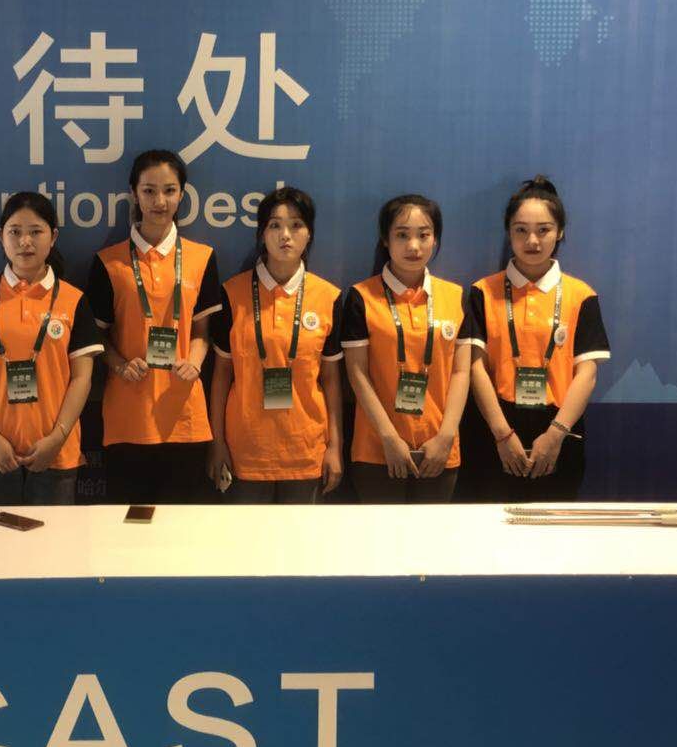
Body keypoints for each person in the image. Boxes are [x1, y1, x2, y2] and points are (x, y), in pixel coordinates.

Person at [463, 176, 611, 501]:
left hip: (559, 429)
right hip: (495, 430)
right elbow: (475, 368)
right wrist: (502, 435)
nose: (532, 240)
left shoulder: (581, 295)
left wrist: (555, 435)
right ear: (509, 232)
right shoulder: (482, 292)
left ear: (560, 232)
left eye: (543, 230)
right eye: (521, 230)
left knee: (553, 526)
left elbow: (587, 373)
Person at [87, 149, 222, 503]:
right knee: (129, 524)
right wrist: (120, 364)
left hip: (185, 417)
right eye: (149, 190)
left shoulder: (202, 257)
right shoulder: (108, 262)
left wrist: (195, 361)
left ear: (182, 194)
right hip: (128, 417)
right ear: (134, 193)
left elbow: (202, 332)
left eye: (169, 190)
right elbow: (97, 336)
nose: (159, 201)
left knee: (180, 527)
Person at [0, 192, 103, 506]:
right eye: (15, 232)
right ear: (1, 237)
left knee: (54, 538)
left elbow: (82, 379)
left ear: (53, 237)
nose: (25, 242)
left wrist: (57, 439)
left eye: (36, 231)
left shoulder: (74, 300)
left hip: (55, 453)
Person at [207, 187, 344, 503]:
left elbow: (331, 380)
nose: (286, 235)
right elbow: (221, 375)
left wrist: (335, 446)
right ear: (261, 234)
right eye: (275, 225)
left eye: (296, 225)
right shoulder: (232, 293)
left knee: (300, 536)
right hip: (244, 452)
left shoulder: (329, 297)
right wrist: (217, 443)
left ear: (309, 234)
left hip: (306, 451)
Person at [341, 195, 476, 503]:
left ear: (435, 239)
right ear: (385, 240)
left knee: (431, 534)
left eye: (423, 235)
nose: (413, 246)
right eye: (402, 235)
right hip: (377, 450)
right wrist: (389, 438)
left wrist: (446, 437)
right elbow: (357, 373)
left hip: (439, 450)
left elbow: (461, 371)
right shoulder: (361, 296)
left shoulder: (455, 296)